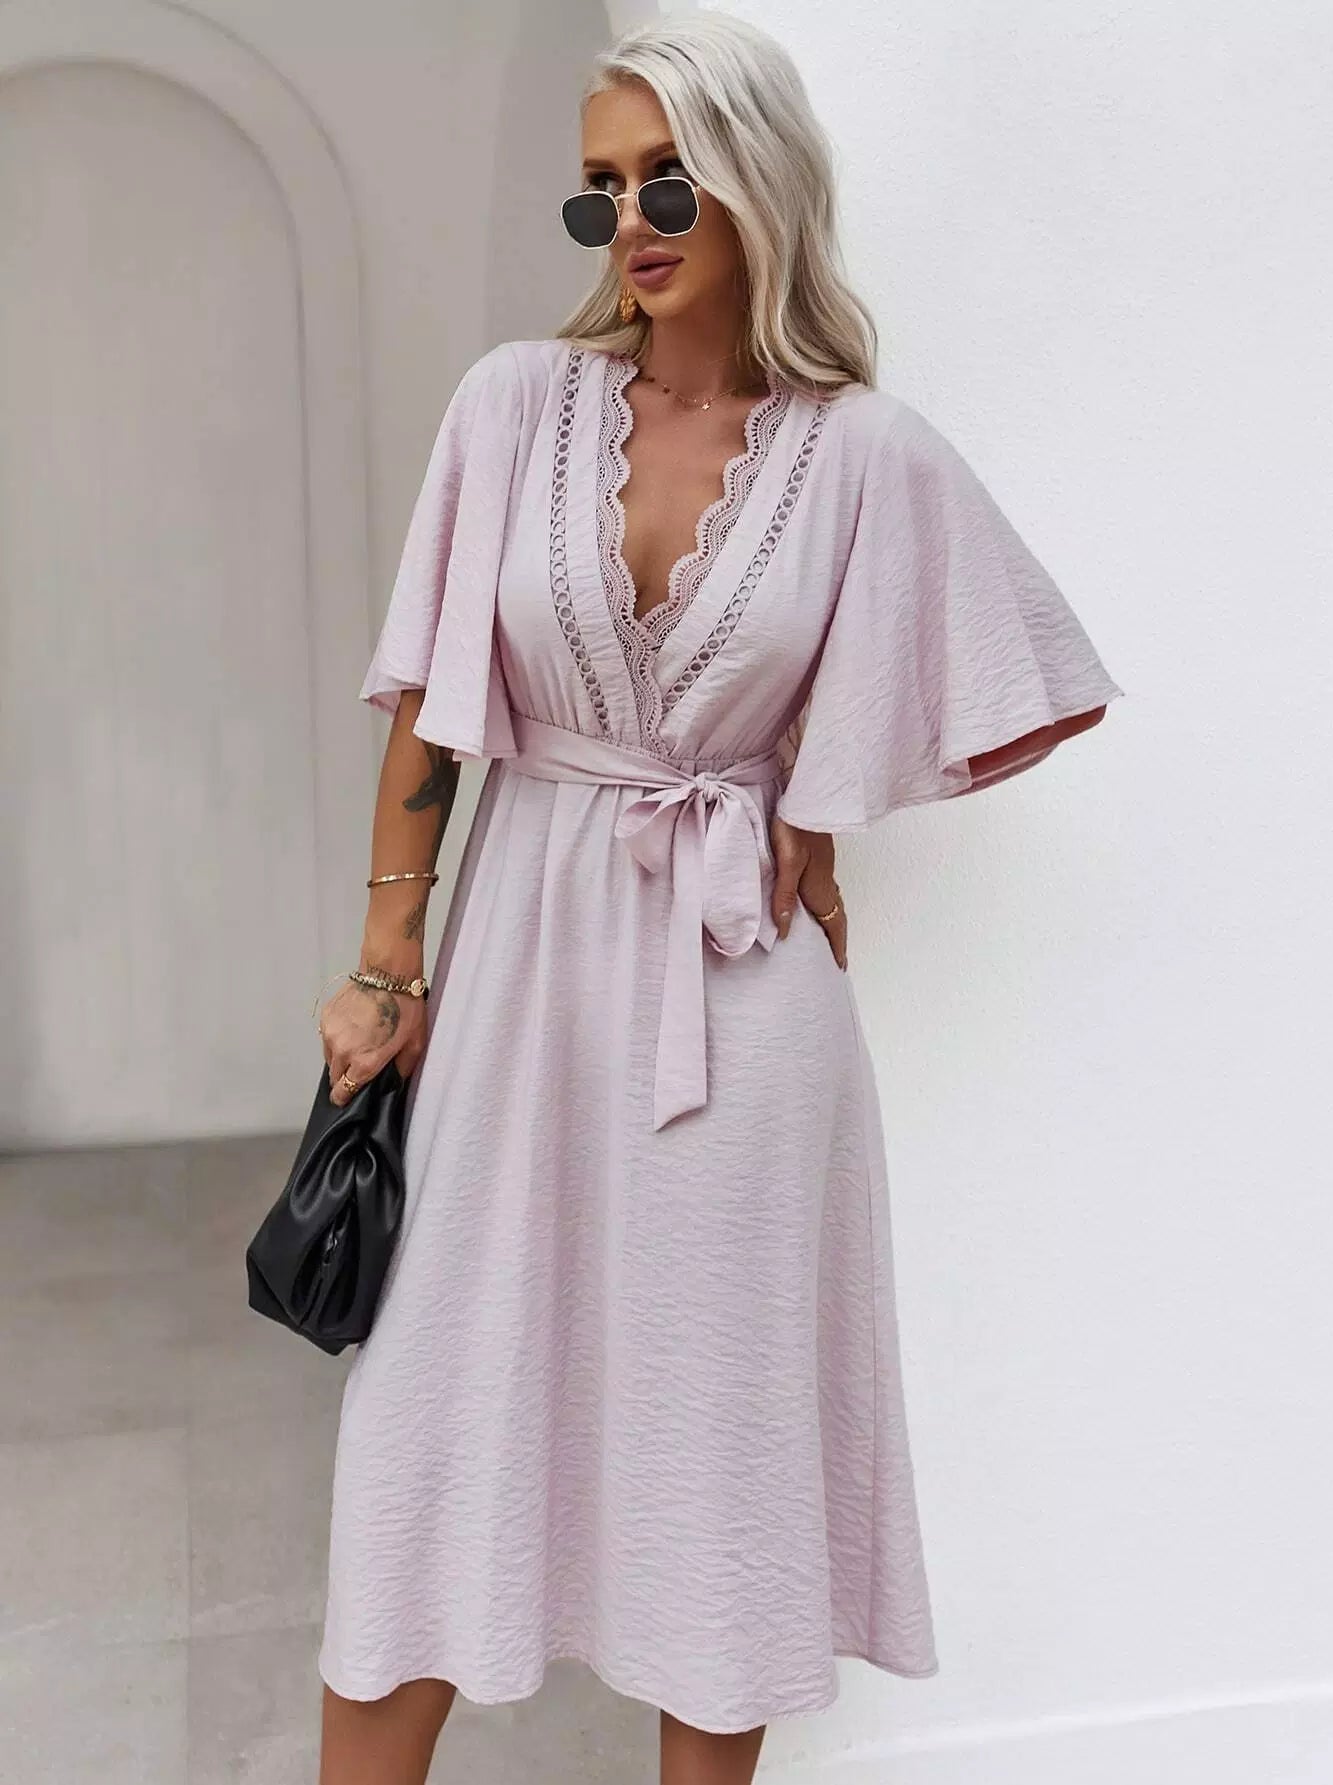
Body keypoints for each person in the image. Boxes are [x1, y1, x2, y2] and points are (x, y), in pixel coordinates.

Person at [312, 13, 1124, 1784]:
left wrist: (817, 782)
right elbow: (433, 696)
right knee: (429, 1424)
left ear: (760, 184)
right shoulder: (512, 405)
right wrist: (387, 955)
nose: (633, 221)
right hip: (519, 966)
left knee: (717, 1450)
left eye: (668, 182)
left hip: (737, 996)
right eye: (600, 191)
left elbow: (1030, 678)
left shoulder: (867, 452)